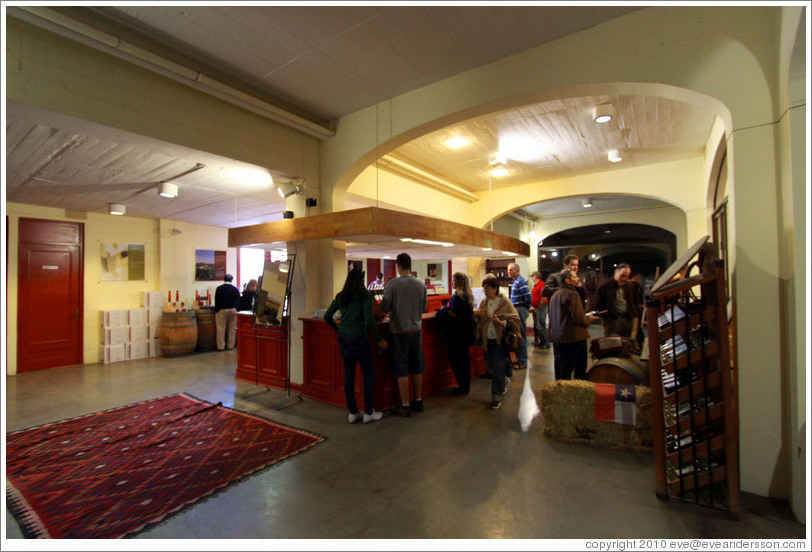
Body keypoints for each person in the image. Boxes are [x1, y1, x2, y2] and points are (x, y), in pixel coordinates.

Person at [324, 268, 388, 424]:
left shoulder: (341, 296)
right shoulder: (364, 296)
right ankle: (368, 411)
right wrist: (380, 339)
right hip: (359, 337)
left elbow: (327, 316)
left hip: (343, 338)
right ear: (361, 279)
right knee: (368, 372)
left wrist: (338, 329)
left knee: (349, 373)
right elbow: (370, 320)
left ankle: (353, 412)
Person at [379, 253, 428, 417]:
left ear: (398, 265)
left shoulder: (393, 284)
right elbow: (424, 308)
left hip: (399, 331)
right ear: (410, 265)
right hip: (416, 330)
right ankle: (418, 400)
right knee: (416, 367)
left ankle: (405, 405)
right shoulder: (420, 285)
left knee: (402, 369)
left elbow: (384, 308)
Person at [474, 277, 521, 410]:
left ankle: (496, 398)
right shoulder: (484, 302)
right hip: (487, 340)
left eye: (487, 289)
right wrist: (478, 314)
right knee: (490, 366)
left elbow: (515, 319)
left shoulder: (504, 303)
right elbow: (479, 317)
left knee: (498, 367)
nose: (485, 292)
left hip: (500, 340)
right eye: (484, 289)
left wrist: (501, 323)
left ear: (495, 288)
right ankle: (504, 381)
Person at [548, 269, 600, 380]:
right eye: (575, 277)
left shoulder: (555, 294)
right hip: (574, 338)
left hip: (559, 338)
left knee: (562, 371)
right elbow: (578, 318)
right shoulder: (572, 294)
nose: (578, 279)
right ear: (567, 280)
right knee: (579, 371)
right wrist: (589, 319)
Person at [441, 272, 475, 395]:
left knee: (455, 358)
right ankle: (465, 386)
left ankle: (461, 385)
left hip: (457, 333)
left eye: (454, 280)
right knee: (464, 360)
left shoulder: (457, 296)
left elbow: (454, 314)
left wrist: (446, 312)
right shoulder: (468, 296)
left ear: (460, 282)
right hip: (466, 333)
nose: (452, 283)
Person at [595, 263, 642, 340]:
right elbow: (598, 306)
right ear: (616, 272)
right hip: (612, 320)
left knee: (627, 343)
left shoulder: (631, 287)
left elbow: (636, 303)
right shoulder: (605, 287)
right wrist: (606, 318)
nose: (624, 279)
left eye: (626, 276)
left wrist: (635, 315)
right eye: (622, 275)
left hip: (628, 318)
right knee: (612, 344)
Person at [507, 263, 532, 370]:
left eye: (511, 270)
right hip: (517, 309)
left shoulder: (520, 281)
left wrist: (525, 307)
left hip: (520, 310)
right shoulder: (515, 281)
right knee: (517, 335)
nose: (509, 272)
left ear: (517, 270)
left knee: (520, 335)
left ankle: (523, 361)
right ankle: (520, 358)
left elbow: (528, 297)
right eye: (508, 270)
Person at [214, 274, 241, 350]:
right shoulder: (235, 289)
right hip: (232, 310)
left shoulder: (219, 288)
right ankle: (231, 346)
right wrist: (235, 308)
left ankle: (221, 347)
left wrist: (217, 310)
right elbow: (238, 300)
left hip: (222, 309)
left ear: (224, 279)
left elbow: (217, 300)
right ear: (231, 280)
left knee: (220, 329)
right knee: (232, 329)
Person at [530, 270, 550, 350]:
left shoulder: (541, 284)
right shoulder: (536, 285)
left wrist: (539, 306)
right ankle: (542, 342)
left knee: (541, 325)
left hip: (541, 307)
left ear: (535, 277)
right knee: (539, 325)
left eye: (533, 276)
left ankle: (545, 343)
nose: (532, 278)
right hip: (538, 307)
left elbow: (544, 296)